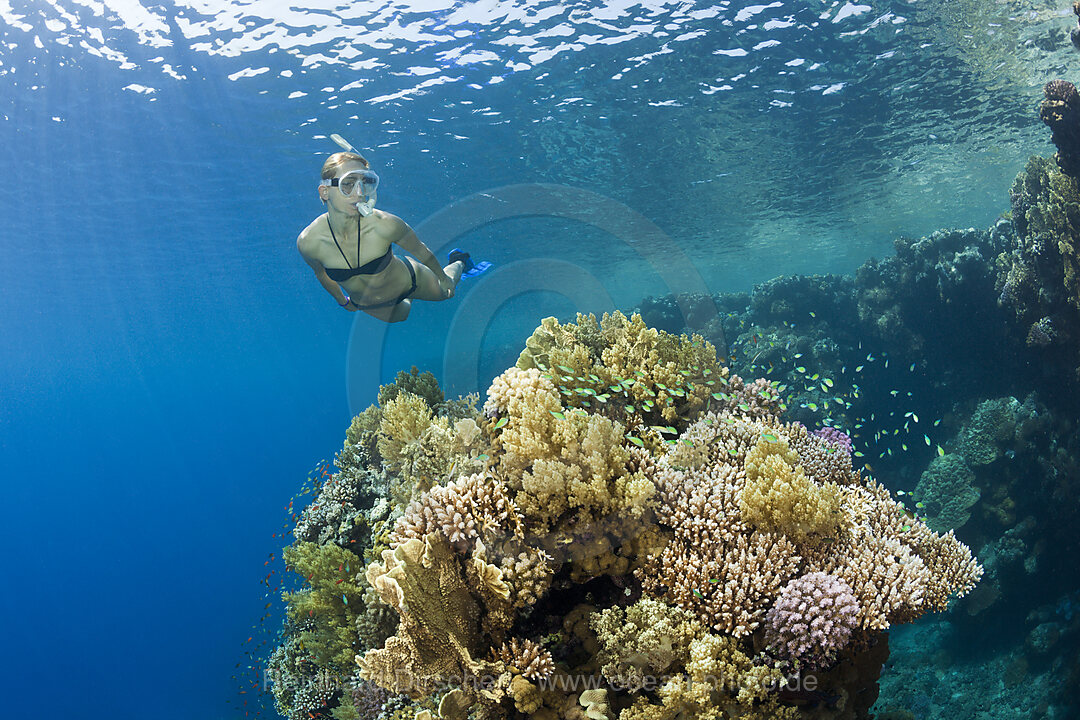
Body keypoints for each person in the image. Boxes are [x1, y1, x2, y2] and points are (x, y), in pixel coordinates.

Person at [297, 145, 486, 323]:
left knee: (447, 293)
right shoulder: (309, 242)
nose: (360, 193)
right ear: (324, 192)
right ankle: (408, 300)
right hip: (370, 303)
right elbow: (321, 273)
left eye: (366, 183)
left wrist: (442, 279)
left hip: (411, 281)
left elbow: (420, 250)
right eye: (348, 184)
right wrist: (342, 300)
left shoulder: (385, 224)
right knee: (400, 318)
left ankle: (459, 261)